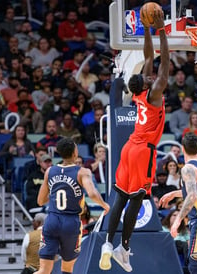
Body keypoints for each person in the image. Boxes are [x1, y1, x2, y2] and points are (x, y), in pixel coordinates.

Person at [99, 9, 169, 273]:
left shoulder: (141, 93)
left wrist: (146, 29)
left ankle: (108, 243)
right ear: (147, 82)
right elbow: (165, 62)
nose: (153, 75)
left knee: (119, 197)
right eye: (150, 76)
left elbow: (149, 57)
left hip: (129, 148)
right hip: (142, 152)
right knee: (137, 200)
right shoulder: (154, 94)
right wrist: (161, 28)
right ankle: (124, 248)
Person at [34, 138, 109, 274]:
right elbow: (92, 194)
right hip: (71, 222)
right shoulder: (82, 172)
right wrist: (105, 205)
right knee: (67, 269)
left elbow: (40, 201)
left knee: (44, 270)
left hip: (52, 220)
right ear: (75, 152)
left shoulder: (50, 171)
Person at [159, 132, 197, 274]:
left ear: (183, 149)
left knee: (195, 266)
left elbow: (191, 196)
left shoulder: (188, 169)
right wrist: (175, 193)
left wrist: (178, 220)